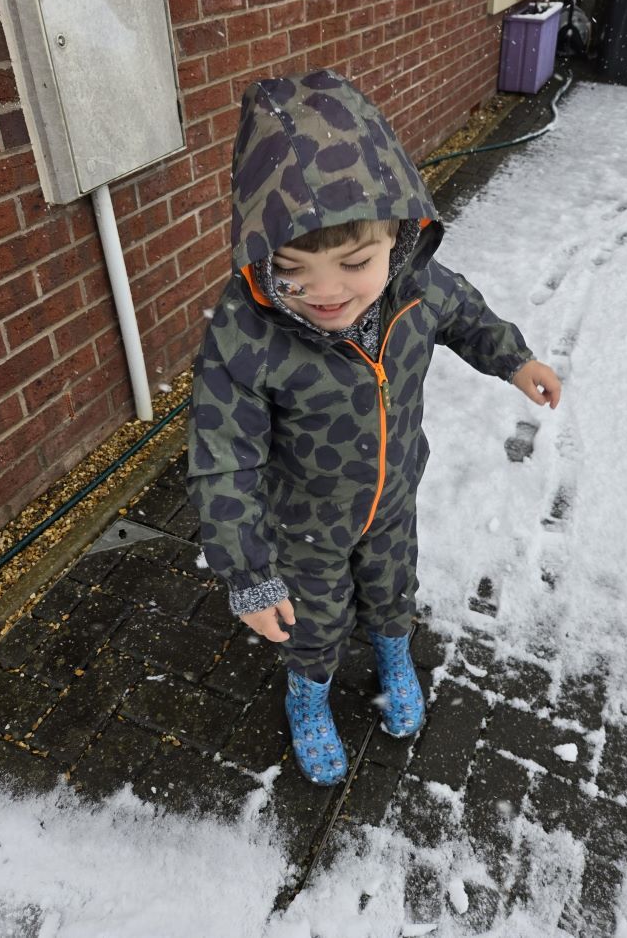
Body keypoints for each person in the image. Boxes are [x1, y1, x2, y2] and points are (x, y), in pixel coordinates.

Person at [187, 70, 562, 786]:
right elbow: (223, 458)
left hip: (392, 498)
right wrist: (250, 574)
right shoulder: (249, 334)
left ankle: (393, 651)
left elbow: (470, 318)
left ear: (400, 233)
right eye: (293, 270)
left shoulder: (419, 291)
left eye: (353, 263)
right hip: (305, 524)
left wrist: (515, 358)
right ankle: (309, 692)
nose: (325, 292)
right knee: (316, 623)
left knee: (393, 587)